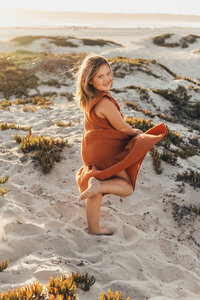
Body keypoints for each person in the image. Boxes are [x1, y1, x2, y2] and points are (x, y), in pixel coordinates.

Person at [75, 53, 167, 235]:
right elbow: (121, 127)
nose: (107, 79)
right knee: (126, 187)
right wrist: (135, 133)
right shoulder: (105, 102)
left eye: (108, 73)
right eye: (100, 76)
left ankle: (94, 228)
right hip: (107, 151)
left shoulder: (89, 98)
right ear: (90, 80)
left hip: (91, 149)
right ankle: (98, 186)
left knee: (96, 185)